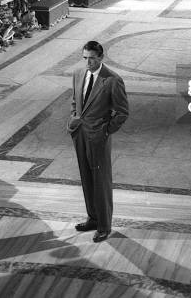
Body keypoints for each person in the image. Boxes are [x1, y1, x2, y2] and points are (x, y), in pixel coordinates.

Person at [67, 41, 129, 242]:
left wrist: (105, 131)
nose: (88, 62)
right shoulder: (78, 74)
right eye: (85, 58)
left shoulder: (112, 80)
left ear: (101, 57)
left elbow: (122, 112)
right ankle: (92, 218)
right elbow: (75, 100)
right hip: (80, 134)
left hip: (99, 137)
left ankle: (104, 226)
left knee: (101, 181)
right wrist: (73, 118)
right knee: (86, 177)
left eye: (92, 58)